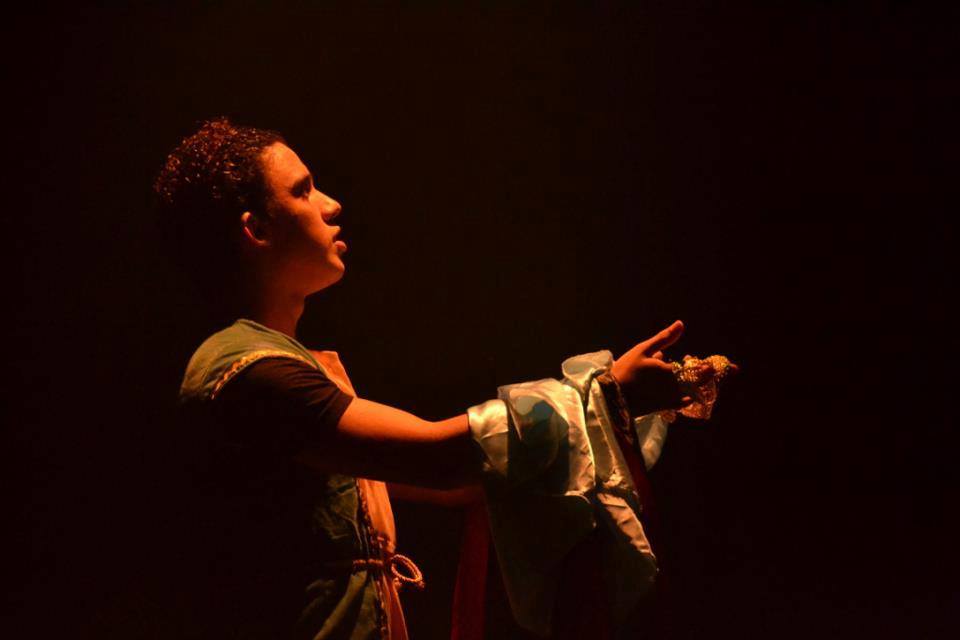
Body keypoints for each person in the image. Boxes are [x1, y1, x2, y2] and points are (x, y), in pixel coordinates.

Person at [154, 117, 714, 640]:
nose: (331, 204)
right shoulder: (249, 374)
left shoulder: (287, 364)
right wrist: (604, 396)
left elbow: (468, 481)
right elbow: (438, 458)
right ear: (255, 229)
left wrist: (616, 418)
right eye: (303, 192)